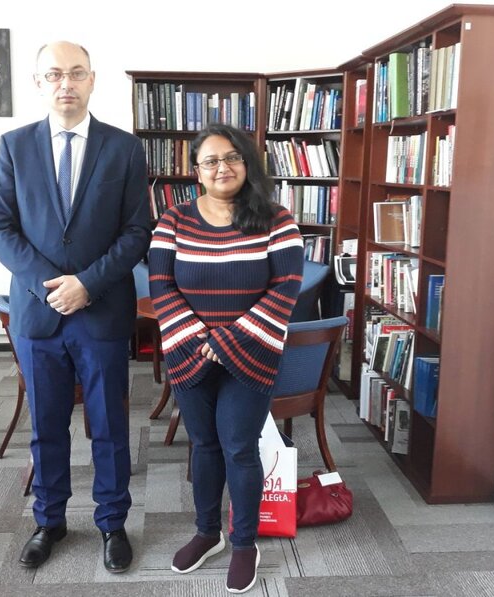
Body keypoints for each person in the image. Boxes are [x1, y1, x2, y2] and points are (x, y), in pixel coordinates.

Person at [0, 41, 150, 572]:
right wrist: (50, 287)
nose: (66, 83)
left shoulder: (123, 149)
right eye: (54, 74)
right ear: (38, 83)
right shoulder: (14, 147)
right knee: (47, 425)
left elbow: (136, 232)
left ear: (92, 80)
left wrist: (87, 284)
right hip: (37, 316)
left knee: (108, 425)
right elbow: (1, 229)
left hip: (101, 313)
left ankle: (111, 522)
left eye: (76, 73)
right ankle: (49, 519)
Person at [148, 123, 304, 593]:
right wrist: (200, 339)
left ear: (247, 163)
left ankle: (243, 543)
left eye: (232, 157)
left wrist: (229, 341)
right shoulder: (172, 221)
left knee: (239, 446)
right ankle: (206, 532)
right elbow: (162, 288)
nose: (222, 167)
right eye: (211, 160)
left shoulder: (278, 220)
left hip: (251, 355)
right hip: (188, 352)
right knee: (203, 444)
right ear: (196, 171)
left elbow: (285, 290)